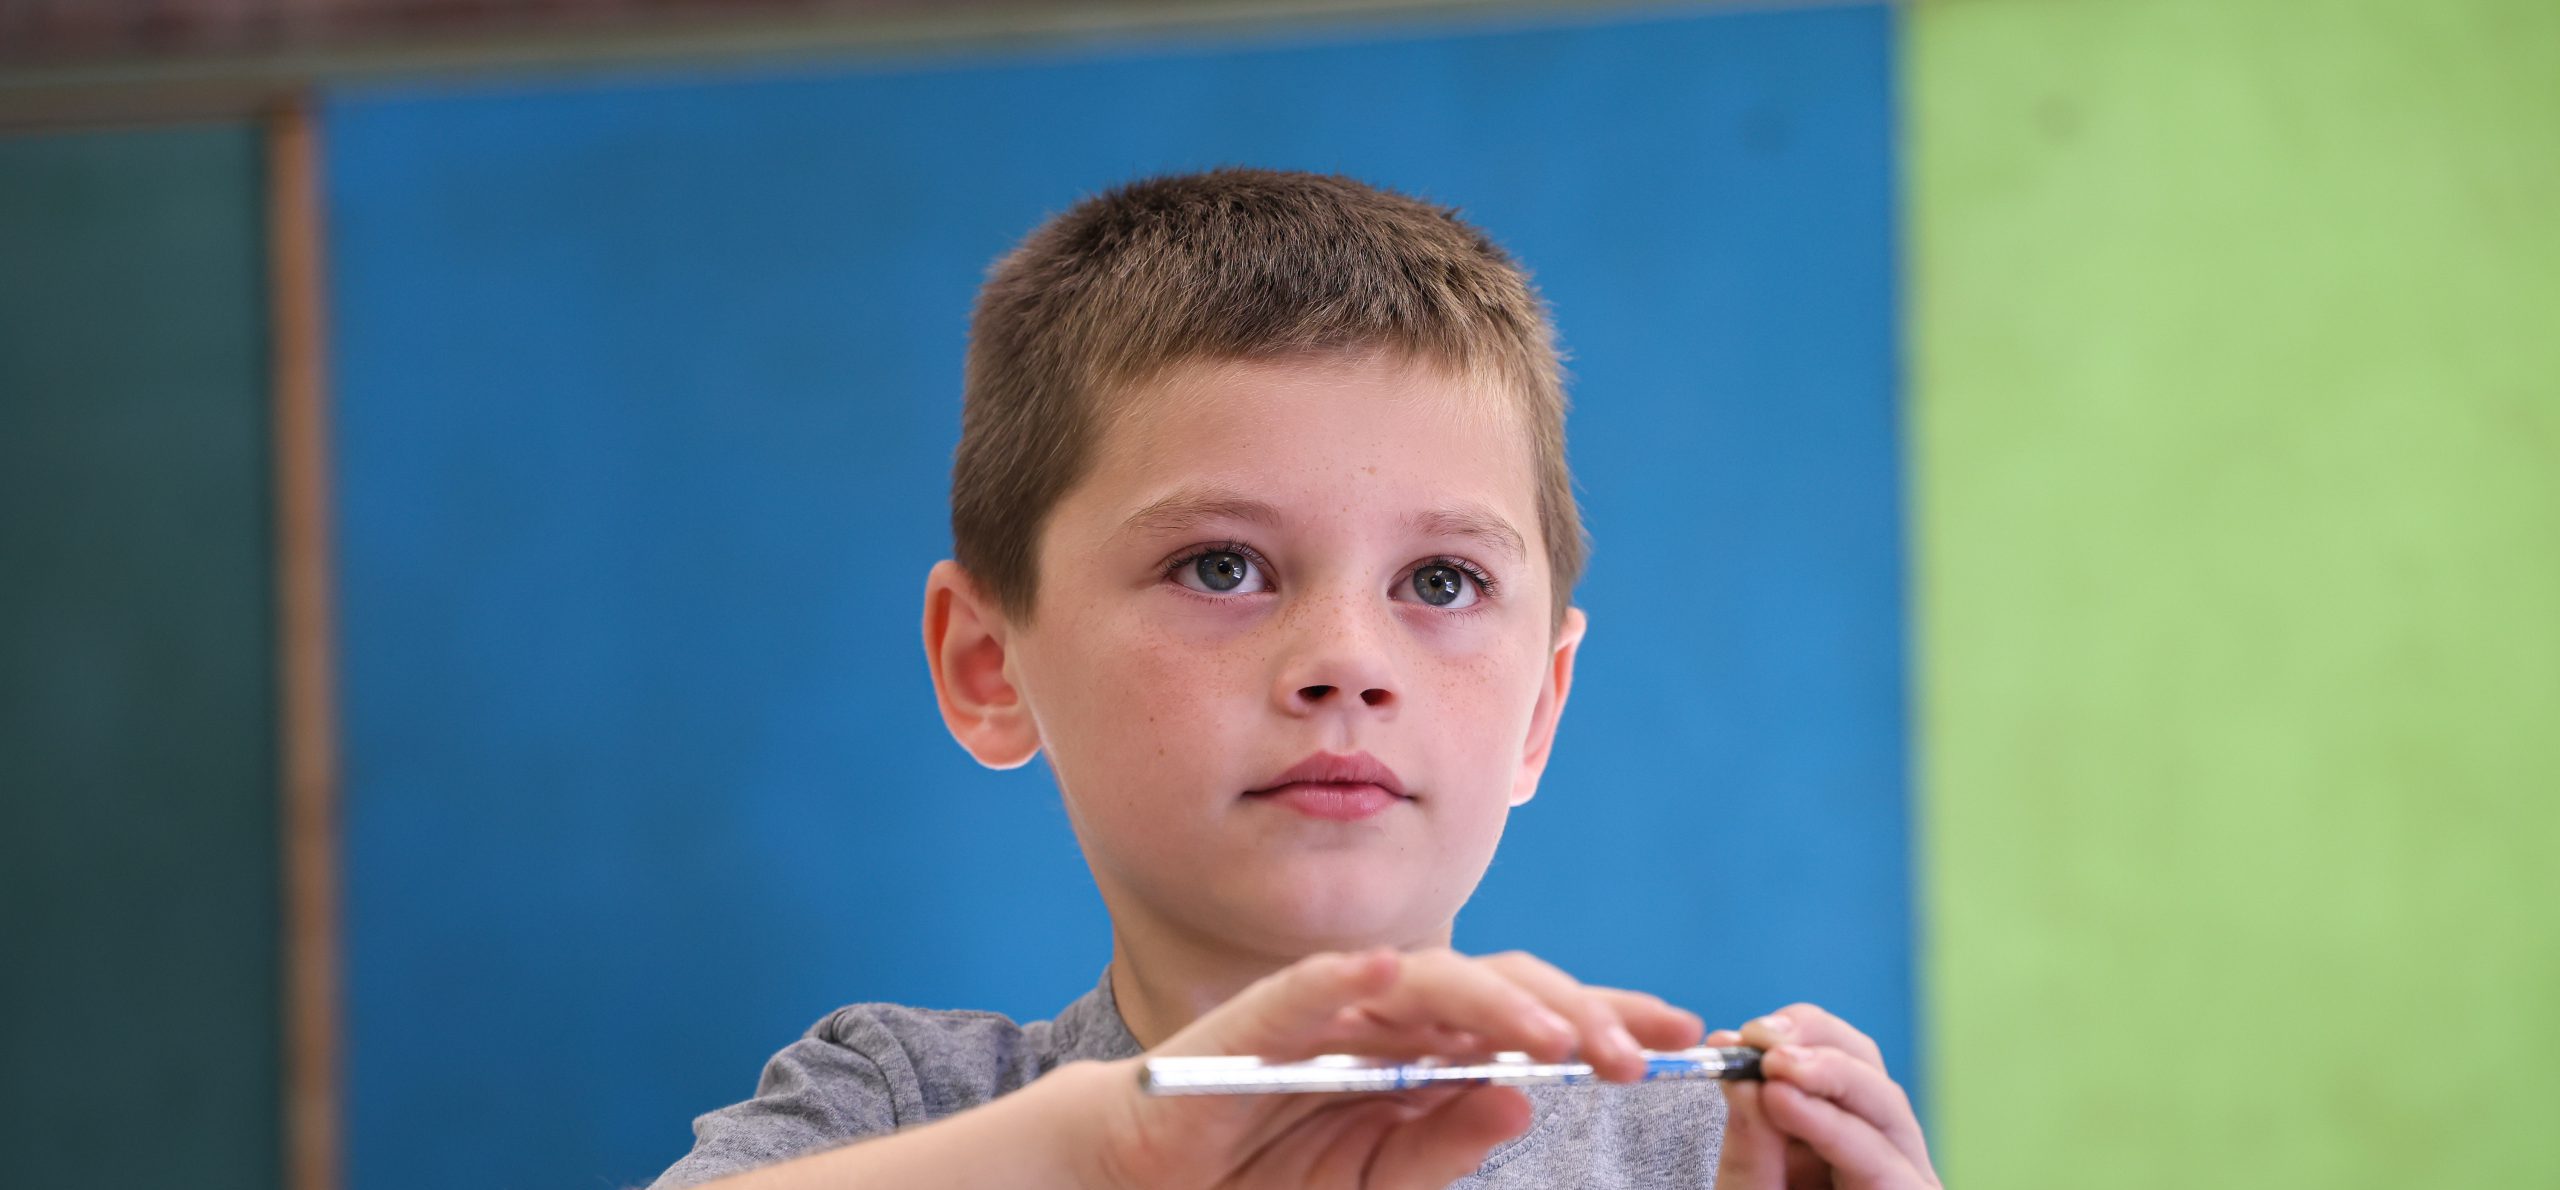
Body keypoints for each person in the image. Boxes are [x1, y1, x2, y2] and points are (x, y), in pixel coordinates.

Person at [646, 168, 1939, 1189]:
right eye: (1222, 567)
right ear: (991, 665)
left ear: (1542, 707)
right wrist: (1115, 1156)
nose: (1347, 662)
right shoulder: (896, 1110)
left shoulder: (1703, 1159)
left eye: (1442, 582)